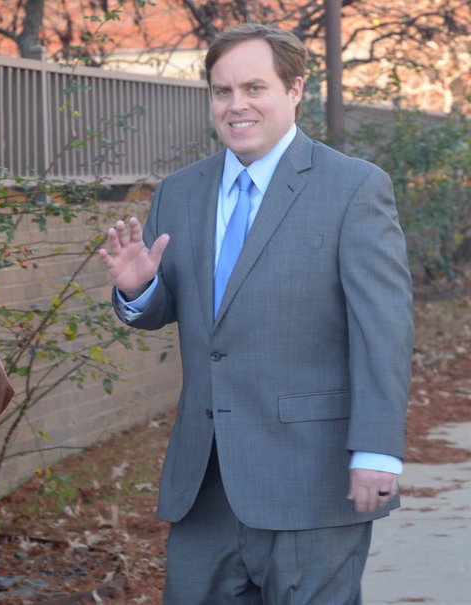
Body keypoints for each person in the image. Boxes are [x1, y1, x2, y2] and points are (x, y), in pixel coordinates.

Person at [99, 23, 413, 604]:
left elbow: (384, 331)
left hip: (312, 479)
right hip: (205, 483)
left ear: (294, 90)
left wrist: (376, 449)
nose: (236, 105)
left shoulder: (354, 188)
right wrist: (140, 291)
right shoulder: (180, 192)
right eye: (222, 91)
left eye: (254, 87)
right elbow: (187, 317)